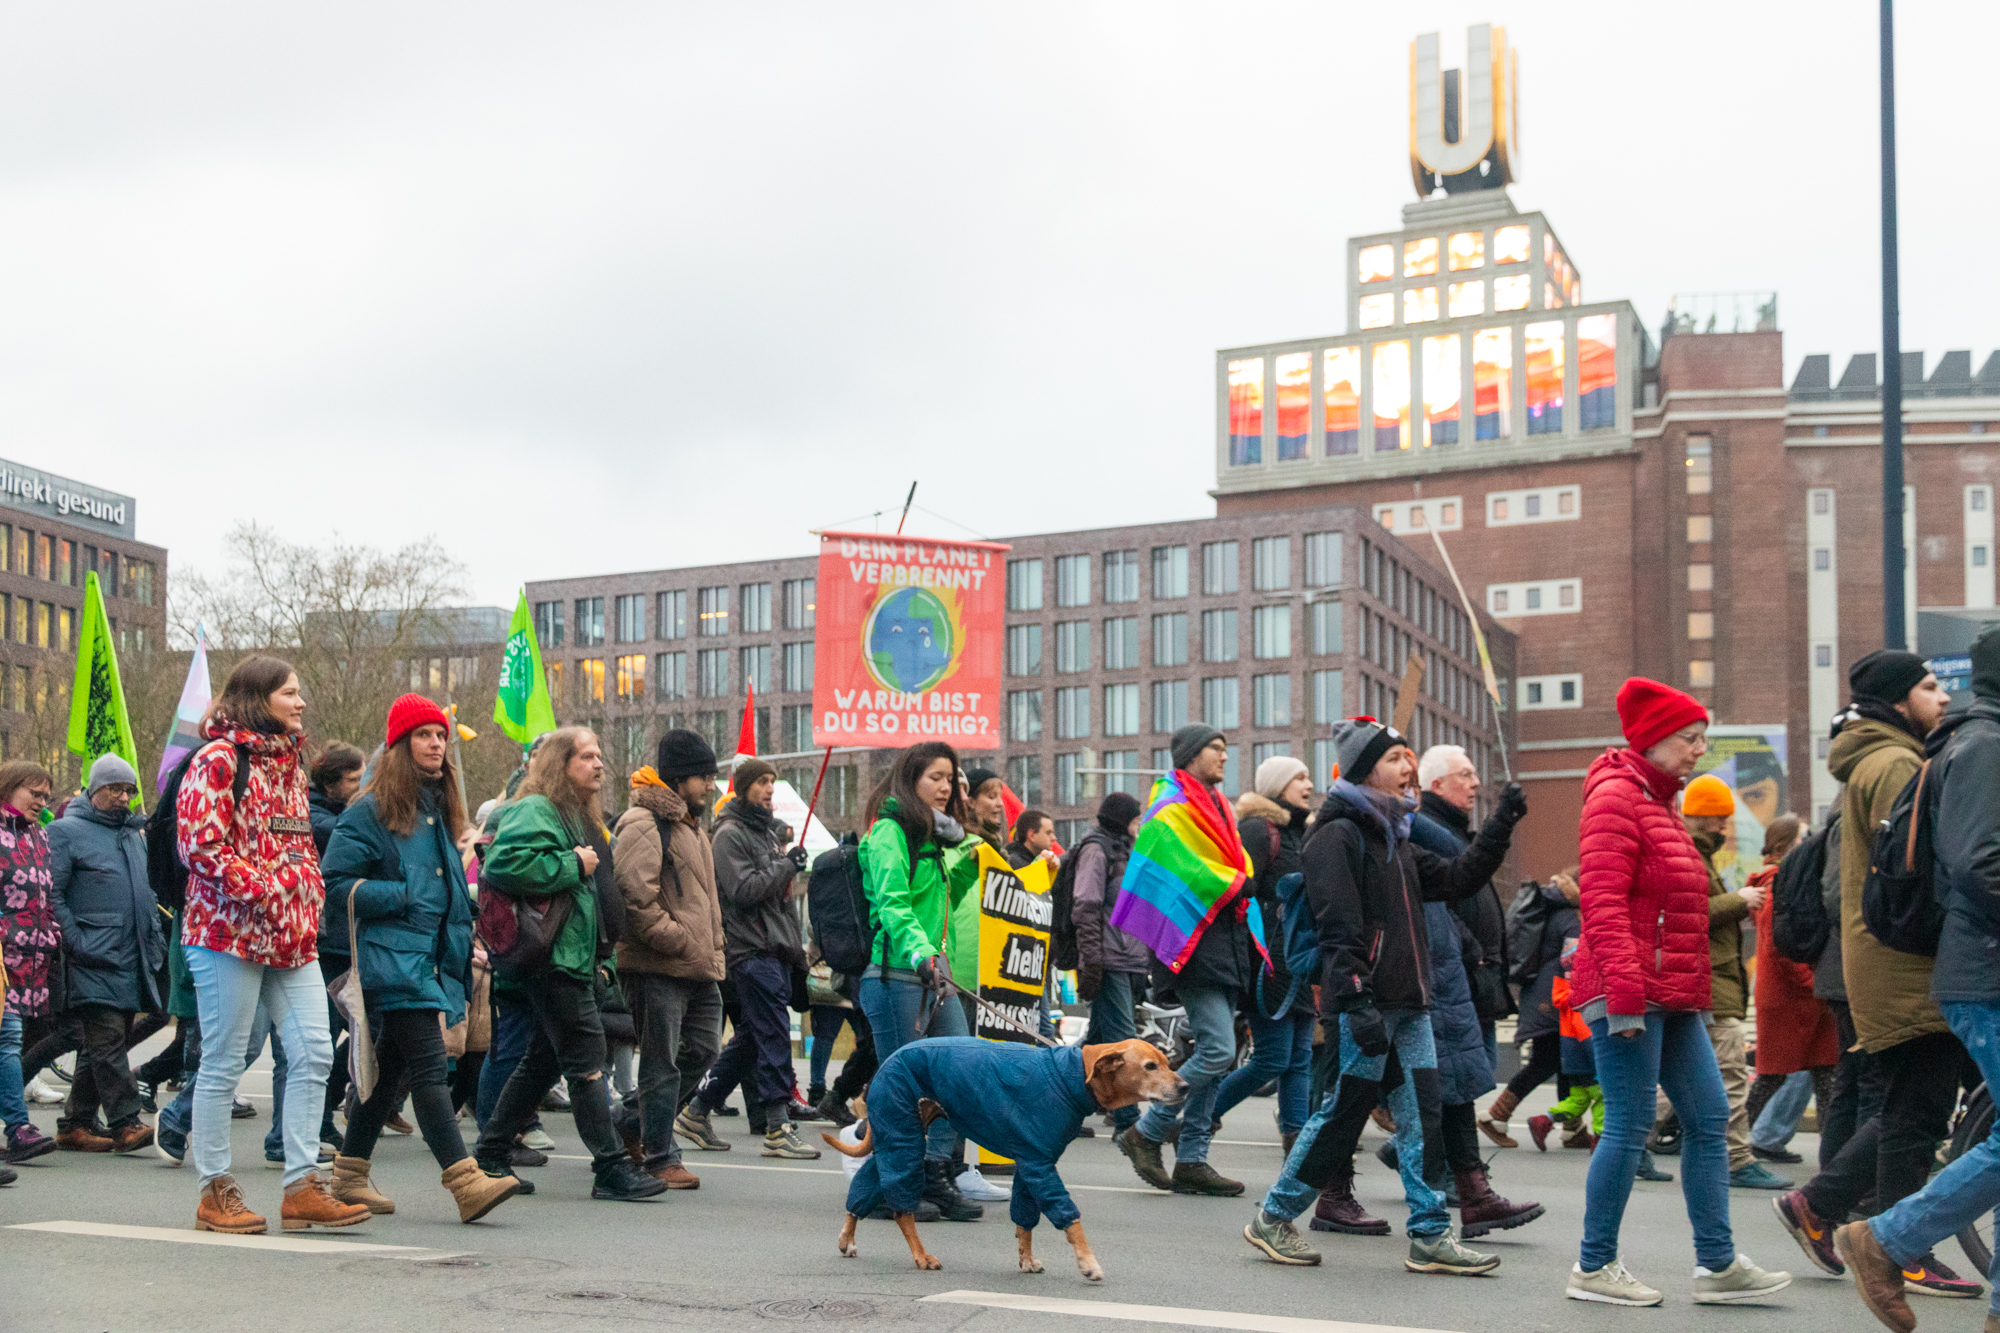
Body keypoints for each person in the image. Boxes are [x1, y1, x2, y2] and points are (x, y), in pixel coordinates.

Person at [1242, 719, 1524, 1273]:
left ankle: (1429, 1235)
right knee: (1340, 1116)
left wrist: (1501, 824)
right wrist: (1356, 1000)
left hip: (1410, 1004)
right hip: (1367, 1006)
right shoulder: (1337, 836)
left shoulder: (1394, 836)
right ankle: (1273, 1218)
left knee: (1422, 1118)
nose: (1409, 767)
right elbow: (1337, 929)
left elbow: (1458, 878)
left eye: (1409, 757)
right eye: (1397, 757)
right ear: (1367, 768)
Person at [1562, 677, 1788, 1306]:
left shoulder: (1659, 800)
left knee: (1711, 1119)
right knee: (1630, 1126)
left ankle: (1717, 1265)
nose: (1698, 751)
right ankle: (1593, 1266)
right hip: (1629, 992)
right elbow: (1602, 904)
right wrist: (1628, 1001)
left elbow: (1674, 907)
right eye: (1690, 739)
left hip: (1675, 993)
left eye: (1702, 740)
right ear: (1656, 738)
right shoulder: (1614, 797)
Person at [1772, 651, 1978, 1298]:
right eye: (1927, 686)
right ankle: (1899, 1244)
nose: (1942, 697)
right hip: (1903, 960)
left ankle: (1820, 1205)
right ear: (1896, 698)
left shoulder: (1878, 759)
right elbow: (1919, 867)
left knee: (1907, 1105)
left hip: (1885, 956)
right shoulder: (1894, 764)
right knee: (1918, 1107)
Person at [1835, 624, 2000, 1333]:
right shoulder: (1986, 747)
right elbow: (1978, 861)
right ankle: (1884, 1237)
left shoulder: (1971, 742)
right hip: (1985, 970)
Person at [177, 656, 368, 1235]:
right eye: (290, 692)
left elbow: (295, 846)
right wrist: (265, 890)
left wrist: (304, 901)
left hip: (292, 938)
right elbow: (199, 847)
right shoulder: (217, 760)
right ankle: (214, 1189)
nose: (301, 702)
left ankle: (301, 1185)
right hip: (227, 935)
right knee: (225, 1060)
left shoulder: (290, 765)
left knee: (314, 1052)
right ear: (259, 698)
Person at [320, 695, 521, 1224]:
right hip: (392, 959)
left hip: (429, 958)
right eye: (423, 735)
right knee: (432, 1067)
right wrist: (399, 895)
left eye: (440, 736)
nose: (436, 744)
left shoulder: (437, 810)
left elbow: (444, 893)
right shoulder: (369, 811)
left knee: (389, 1072)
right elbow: (333, 884)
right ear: (399, 746)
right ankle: (465, 1180)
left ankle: (348, 1175)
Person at [473, 726, 665, 1201]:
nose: (599, 764)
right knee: (585, 1063)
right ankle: (610, 1169)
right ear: (561, 764)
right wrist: (570, 866)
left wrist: (602, 957)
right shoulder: (535, 808)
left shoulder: (577, 815)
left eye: (600, 756)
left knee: (541, 1063)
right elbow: (499, 865)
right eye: (586, 756)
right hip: (551, 959)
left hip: (572, 959)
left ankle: (490, 1156)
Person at [1117, 725, 1263, 1199]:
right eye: (1214, 749)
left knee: (1216, 1060)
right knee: (1219, 1050)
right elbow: (1181, 867)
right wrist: (1235, 881)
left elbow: (1238, 866)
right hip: (1192, 944)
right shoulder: (1170, 807)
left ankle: (1194, 1159)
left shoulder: (1218, 807)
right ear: (1189, 756)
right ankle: (1148, 1129)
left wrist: (1241, 879)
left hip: (1223, 941)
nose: (1224, 756)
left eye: (1225, 748)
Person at [1406, 744, 1541, 1235]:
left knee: (1459, 1084)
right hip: (1437, 978)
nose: (1475, 783)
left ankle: (1466, 1193)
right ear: (1435, 785)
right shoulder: (1417, 827)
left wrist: (1503, 819)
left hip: (1459, 974)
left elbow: (1462, 879)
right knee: (1360, 1097)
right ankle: (1300, 1202)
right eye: (1464, 775)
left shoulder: (1441, 831)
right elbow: (1456, 884)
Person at [854, 740, 983, 1223]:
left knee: (961, 1073)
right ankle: (890, 1186)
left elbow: (939, 903)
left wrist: (972, 868)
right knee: (903, 1090)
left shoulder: (936, 837)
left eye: (951, 779)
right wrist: (924, 952)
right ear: (911, 780)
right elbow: (893, 904)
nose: (947, 787)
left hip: (933, 976)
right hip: (896, 978)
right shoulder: (889, 831)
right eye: (936, 777)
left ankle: (932, 1172)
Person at [688, 752, 816, 1161]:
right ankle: (778, 1126)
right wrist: (784, 866)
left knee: (751, 1040)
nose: (769, 789)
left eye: (772, 782)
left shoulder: (763, 833)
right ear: (743, 788)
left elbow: (777, 902)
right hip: (750, 949)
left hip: (774, 949)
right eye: (761, 782)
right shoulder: (728, 835)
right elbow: (742, 891)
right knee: (774, 1034)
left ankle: (695, 1110)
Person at [613, 731, 727, 1190]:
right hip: (658, 965)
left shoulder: (692, 826)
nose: (711, 786)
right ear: (680, 779)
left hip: (698, 967)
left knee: (703, 1050)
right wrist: (677, 939)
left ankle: (625, 1121)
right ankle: (660, 1154)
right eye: (704, 777)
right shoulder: (643, 822)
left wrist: (711, 946)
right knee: (662, 1063)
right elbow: (634, 896)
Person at [1671, 773, 1790, 1191]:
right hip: (1711, 983)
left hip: (1708, 982)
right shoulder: (1689, 855)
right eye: (1720, 820)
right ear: (1703, 818)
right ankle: (1738, 1160)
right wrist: (1739, 900)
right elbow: (1688, 912)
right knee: (1731, 1074)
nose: (1725, 829)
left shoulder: (1693, 853)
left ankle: (1632, 1142)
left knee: (1687, 1077)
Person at [45, 754, 161, 1155]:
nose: (123, 797)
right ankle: (126, 1122)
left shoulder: (133, 835)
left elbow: (147, 894)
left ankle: (75, 1124)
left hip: (133, 957)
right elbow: (52, 893)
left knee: (105, 1042)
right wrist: (76, 940)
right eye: (114, 789)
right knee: (109, 1039)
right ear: (93, 790)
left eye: (129, 790)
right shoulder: (64, 832)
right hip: (90, 957)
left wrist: (156, 940)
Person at [1214, 757, 1316, 1155]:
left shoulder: (1296, 833)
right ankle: (1197, 1114)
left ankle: (1298, 1142)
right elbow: (1240, 892)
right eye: (1299, 778)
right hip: (1268, 961)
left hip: (1299, 958)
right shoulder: (1259, 829)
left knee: (1300, 1058)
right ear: (1277, 786)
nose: (1309, 784)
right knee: (1273, 1058)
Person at [1743, 816, 1836, 1164]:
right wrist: (1815, 982)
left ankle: (1833, 1157)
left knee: (1826, 1073)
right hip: (1793, 997)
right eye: (1803, 837)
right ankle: (1734, 1147)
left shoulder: (1781, 879)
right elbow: (1777, 946)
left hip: (1805, 996)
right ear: (1784, 846)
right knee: (1772, 1075)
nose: (1810, 842)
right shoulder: (1776, 883)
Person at [1064, 791, 1145, 1139]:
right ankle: (1129, 1122)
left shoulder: (1123, 851)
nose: (1140, 825)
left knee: (1098, 1040)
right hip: (1109, 958)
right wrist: (1092, 960)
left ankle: (1066, 1103)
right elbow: (1086, 905)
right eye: (1135, 818)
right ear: (1121, 819)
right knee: (1122, 1040)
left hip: (1126, 957)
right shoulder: (1097, 850)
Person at [1481, 867, 1578, 1148]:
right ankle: (1495, 1115)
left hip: (1540, 995)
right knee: (1546, 1061)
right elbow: (1575, 961)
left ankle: (1572, 1128)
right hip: (1555, 1000)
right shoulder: (1570, 918)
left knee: (1563, 1061)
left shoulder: (1550, 910)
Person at [0, 762, 58, 1166]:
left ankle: (17, 1129)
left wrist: (51, 931)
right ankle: (18, 1128)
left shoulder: (39, 837)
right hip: (1, 958)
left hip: (28, 960)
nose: (41, 802)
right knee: (8, 1039)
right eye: (33, 793)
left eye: (45, 796)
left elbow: (44, 895)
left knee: (9, 1040)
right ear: (9, 788)